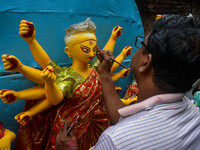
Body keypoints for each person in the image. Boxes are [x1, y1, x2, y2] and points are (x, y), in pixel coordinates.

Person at [0, 18, 131, 150]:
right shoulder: (69, 77)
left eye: (94, 50)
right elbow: (54, 98)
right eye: (86, 50)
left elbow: (107, 61)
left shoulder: (95, 69)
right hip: (68, 130)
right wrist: (31, 43)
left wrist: (113, 38)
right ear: (68, 52)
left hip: (94, 125)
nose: (92, 54)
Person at [92, 15, 200, 149]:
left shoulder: (115, 142)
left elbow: (127, 132)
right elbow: (124, 119)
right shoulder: (194, 116)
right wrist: (105, 75)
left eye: (142, 44)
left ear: (146, 62)